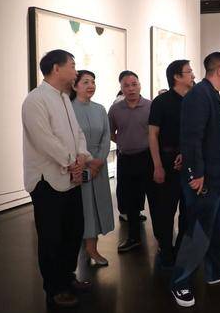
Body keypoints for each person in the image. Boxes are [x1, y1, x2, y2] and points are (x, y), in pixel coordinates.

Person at [22, 49, 93, 308]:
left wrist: (81, 156)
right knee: (51, 237)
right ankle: (54, 287)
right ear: (56, 68)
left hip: (70, 178)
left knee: (73, 231)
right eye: (72, 65)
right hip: (47, 181)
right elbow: (44, 139)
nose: (76, 70)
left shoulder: (63, 98)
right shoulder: (35, 100)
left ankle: (66, 276)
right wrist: (71, 161)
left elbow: (78, 134)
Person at [171, 52, 220, 308]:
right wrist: (195, 173)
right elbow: (191, 138)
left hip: (219, 178)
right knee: (198, 232)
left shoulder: (211, 94)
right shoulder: (199, 96)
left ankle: (218, 270)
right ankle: (180, 282)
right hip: (206, 180)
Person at [148, 60, 195, 267]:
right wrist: (158, 165)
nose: (193, 75)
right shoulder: (161, 102)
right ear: (177, 76)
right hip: (167, 161)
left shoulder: (194, 100)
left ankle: (182, 248)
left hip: (190, 161)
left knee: (188, 209)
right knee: (166, 210)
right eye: (189, 71)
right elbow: (152, 134)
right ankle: (165, 249)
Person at [70, 70, 114, 267]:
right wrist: (87, 161)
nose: (91, 86)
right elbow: (69, 140)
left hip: (99, 165)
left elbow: (106, 136)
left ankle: (92, 247)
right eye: (86, 82)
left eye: (93, 82)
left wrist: (99, 160)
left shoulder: (100, 109)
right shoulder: (69, 109)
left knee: (97, 207)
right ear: (75, 86)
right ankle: (85, 248)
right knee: (84, 207)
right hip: (79, 165)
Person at [108, 70, 154, 253]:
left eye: (134, 84)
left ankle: (162, 239)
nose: (131, 88)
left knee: (155, 199)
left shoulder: (150, 106)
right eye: (126, 85)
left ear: (140, 85)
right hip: (126, 159)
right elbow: (111, 132)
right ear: (121, 88)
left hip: (148, 157)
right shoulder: (115, 109)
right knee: (130, 201)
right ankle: (133, 237)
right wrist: (123, 142)